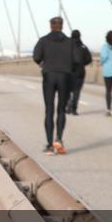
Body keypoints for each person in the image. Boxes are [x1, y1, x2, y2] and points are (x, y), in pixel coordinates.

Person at [32, 17, 81, 155]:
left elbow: (36, 56)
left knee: (49, 110)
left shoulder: (43, 40)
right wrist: (69, 68)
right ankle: (58, 139)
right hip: (65, 77)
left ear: (51, 26)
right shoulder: (70, 42)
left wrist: (44, 64)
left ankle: (49, 144)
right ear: (62, 26)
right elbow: (77, 60)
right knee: (61, 110)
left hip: (49, 76)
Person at [66, 29, 93, 115]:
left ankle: (68, 104)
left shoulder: (66, 46)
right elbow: (89, 59)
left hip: (68, 71)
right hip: (80, 72)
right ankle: (74, 109)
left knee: (66, 89)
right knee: (76, 91)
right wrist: (82, 64)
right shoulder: (83, 47)